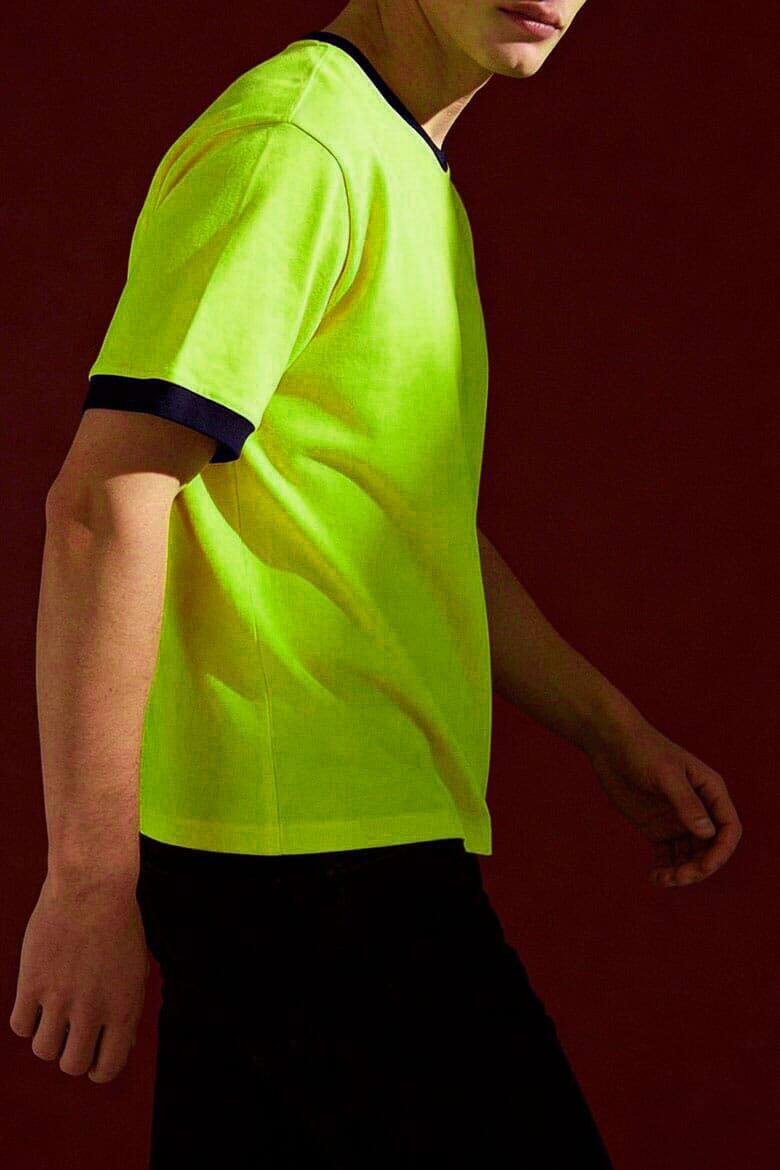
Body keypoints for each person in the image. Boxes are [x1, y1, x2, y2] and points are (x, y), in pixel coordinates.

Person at [10, 2, 742, 1167]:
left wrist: (610, 730)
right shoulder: (296, 144)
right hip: (309, 867)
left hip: (335, 855)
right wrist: (90, 882)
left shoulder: (396, 159)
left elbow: (405, 522)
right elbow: (107, 502)